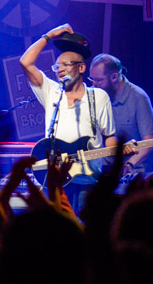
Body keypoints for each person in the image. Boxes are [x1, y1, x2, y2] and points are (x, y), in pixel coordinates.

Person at [19, 24, 116, 205]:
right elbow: (25, 62)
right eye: (57, 66)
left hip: (88, 180)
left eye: (66, 65)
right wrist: (49, 35)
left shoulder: (98, 96)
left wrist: (117, 154)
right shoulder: (51, 91)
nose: (60, 69)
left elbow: (109, 137)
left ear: (81, 68)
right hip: (54, 179)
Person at [89, 53, 153, 176]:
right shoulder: (96, 97)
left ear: (114, 77)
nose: (94, 85)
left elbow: (150, 142)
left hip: (133, 172)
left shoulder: (138, 97)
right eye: (92, 80)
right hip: (104, 170)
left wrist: (129, 164)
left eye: (98, 80)